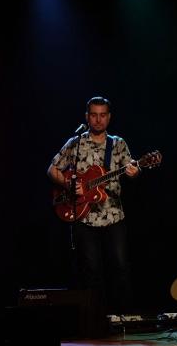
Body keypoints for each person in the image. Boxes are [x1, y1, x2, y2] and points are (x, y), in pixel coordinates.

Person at [47, 96, 139, 314]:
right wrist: (69, 184)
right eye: (94, 115)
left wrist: (136, 171)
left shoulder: (118, 143)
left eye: (103, 115)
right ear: (87, 117)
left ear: (109, 117)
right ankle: (95, 318)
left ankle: (122, 317)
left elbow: (132, 169)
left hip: (113, 215)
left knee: (120, 267)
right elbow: (52, 169)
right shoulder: (75, 143)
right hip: (84, 216)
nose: (98, 120)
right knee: (91, 271)